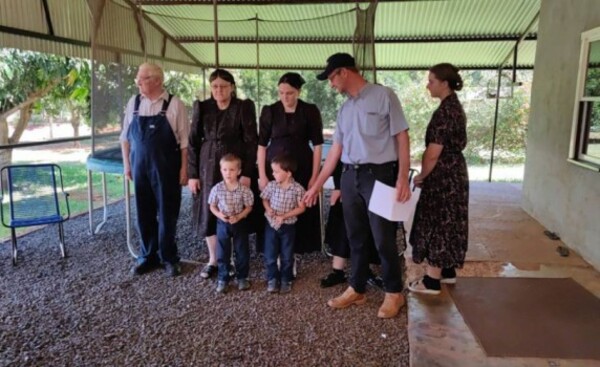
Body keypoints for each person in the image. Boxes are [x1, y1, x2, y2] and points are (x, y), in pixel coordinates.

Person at [304, 53, 411, 319]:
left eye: (331, 78)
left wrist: (402, 177)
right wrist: (317, 184)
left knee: (383, 237)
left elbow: (402, 137)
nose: (331, 84)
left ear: (343, 72)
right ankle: (357, 288)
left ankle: (394, 292)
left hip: (380, 175)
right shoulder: (345, 109)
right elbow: (335, 152)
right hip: (350, 176)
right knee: (355, 236)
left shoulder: (384, 95)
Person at [120, 62, 189, 277]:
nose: (138, 82)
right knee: (144, 212)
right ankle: (147, 256)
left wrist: (184, 169)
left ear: (157, 80)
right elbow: (125, 137)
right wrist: (127, 165)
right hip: (140, 168)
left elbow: (185, 142)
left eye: (143, 78)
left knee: (168, 213)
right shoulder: (134, 102)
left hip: (167, 167)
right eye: (138, 79)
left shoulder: (175, 104)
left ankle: (169, 257)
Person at [188, 69, 258, 280]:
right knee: (210, 212)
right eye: (215, 86)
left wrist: (246, 172)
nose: (219, 90)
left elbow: (251, 140)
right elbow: (192, 141)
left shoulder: (243, 107)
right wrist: (192, 174)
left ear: (232, 87)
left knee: (236, 209)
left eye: (223, 86)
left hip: (235, 166)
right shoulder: (202, 107)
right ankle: (214, 260)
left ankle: (236, 259)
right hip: (207, 167)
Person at [408, 63, 469, 295]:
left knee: (439, 220)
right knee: (451, 220)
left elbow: (433, 152)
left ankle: (432, 281)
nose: (427, 85)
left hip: (443, 175)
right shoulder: (453, 106)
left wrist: (422, 175)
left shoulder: (445, 112)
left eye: (431, 81)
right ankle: (447, 271)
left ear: (444, 83)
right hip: (454, 172)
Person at [257, 72, 324, 261]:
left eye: (290, 93)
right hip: (274, 168)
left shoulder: (310, 110)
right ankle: (274, 252)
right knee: (273, 205)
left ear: (299, 92)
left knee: (298, 206)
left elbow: (318, 145)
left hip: (302, 166)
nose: (285, 97)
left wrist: (315, 176)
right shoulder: (269, 111)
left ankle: (292, 254)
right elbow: (261, 145)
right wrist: (262, 174)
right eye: (281, 93)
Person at [321, 162, 383, 289]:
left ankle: (365, 269)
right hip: (348, 178)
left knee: (372, 227)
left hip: (376, 179)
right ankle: (337, 271)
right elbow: (338, 157)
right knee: (341, 225)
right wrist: (339, 186)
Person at [208, 154, 254, 294]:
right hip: (223, 223)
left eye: (232, 170)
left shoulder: (244, 190)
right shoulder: (217, 188)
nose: (228, 173)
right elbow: (212, 206)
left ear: (239, 171)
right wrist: (220, 215)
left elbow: (249, 207)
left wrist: (239, 216)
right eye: (225, 170)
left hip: (239, 223)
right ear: (221, 170)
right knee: (222, 252)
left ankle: (242, 277)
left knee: (242, 251)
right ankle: (223, 278)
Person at [261, 154, 306, 294]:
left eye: (276, 171)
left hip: (288, 227)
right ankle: (272, 278)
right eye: (272, 171)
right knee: (270, 254)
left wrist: (284, 216)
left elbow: (301, 208)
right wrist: (268, 209)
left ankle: (286, 279)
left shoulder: (297, 188)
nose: (273, 174)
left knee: (287, 254)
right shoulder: (272, 185)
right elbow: (264, 199)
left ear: (288, 173)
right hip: (271, 225)